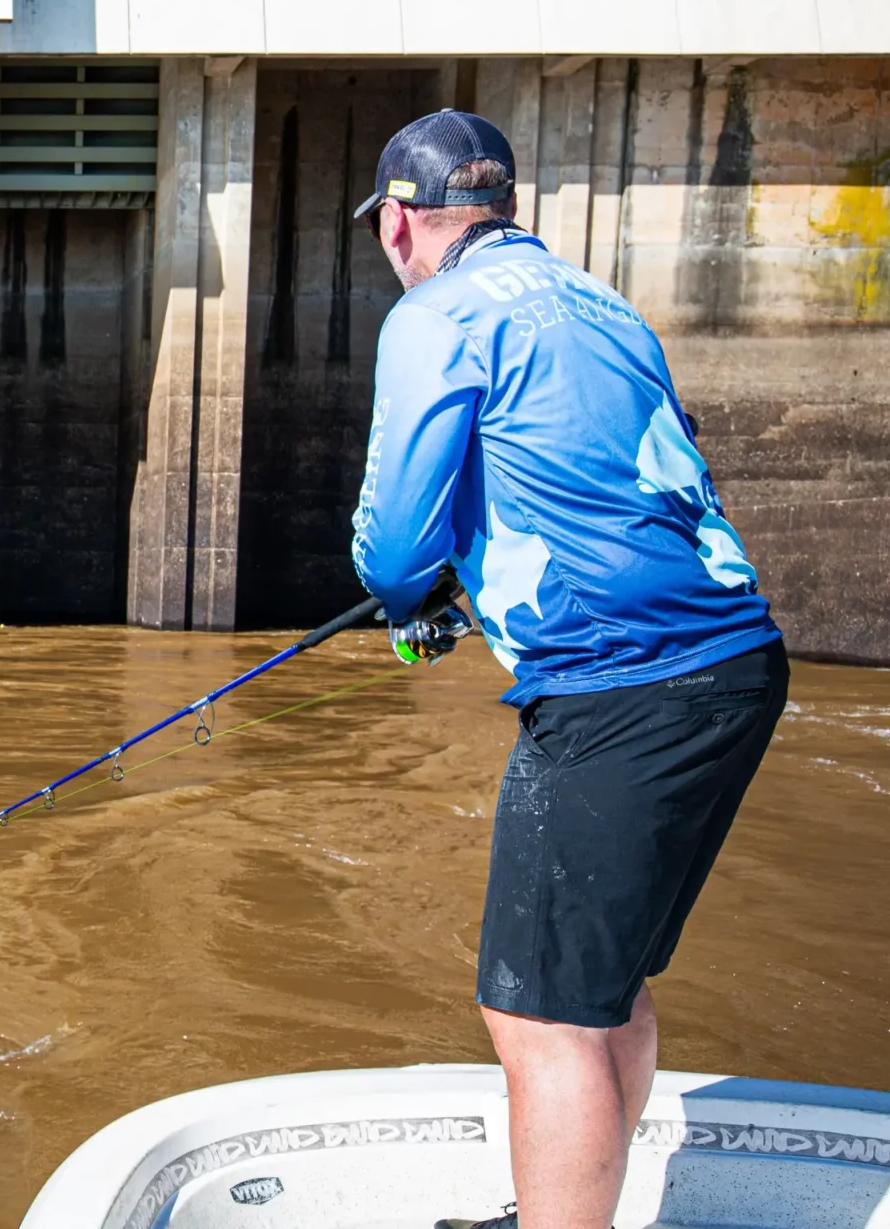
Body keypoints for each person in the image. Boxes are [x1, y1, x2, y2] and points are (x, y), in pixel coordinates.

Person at [345, 110, 787, 1229]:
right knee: (599, 993)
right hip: (735, 667)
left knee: (541, 1020)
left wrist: (411, 603)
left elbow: (396, 541)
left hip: (619, 688)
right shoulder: (601, 302)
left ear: (400, 220)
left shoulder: (434, 315)